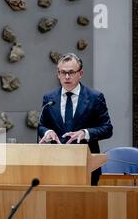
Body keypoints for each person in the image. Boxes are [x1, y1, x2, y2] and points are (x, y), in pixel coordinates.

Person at [38, 53, 113, 185]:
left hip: (86, 164)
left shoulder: (95, 97)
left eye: (71, 72)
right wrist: (47, 132)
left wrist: (85, 133)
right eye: (63, 72)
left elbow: (107, 129)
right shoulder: (49, 98)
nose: (67, 77)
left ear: (81, 73)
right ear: (58, 74)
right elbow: (41, 125)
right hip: (56, 164)